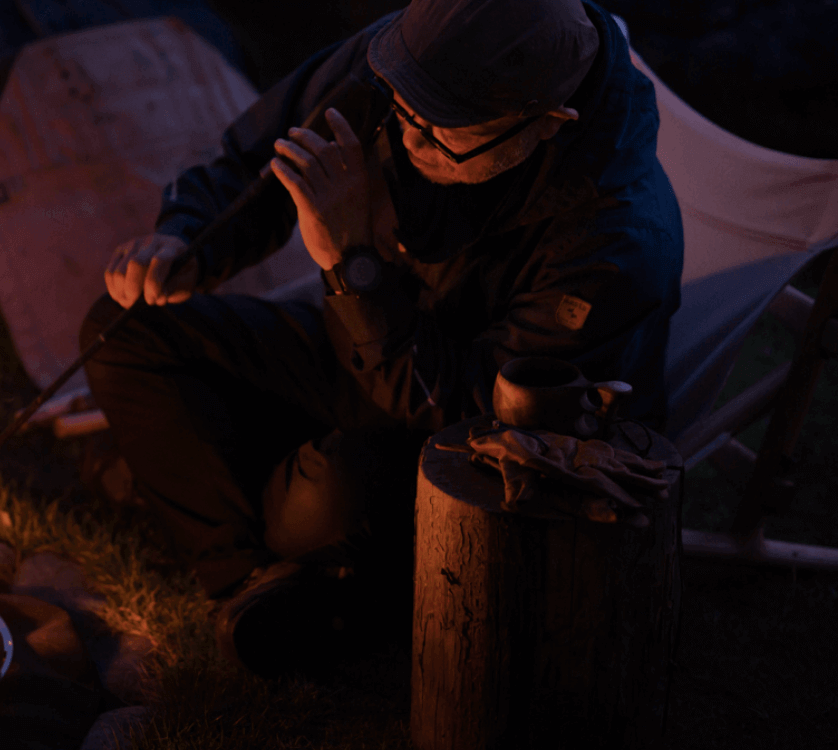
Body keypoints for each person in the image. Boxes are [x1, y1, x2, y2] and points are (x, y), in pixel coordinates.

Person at [80, 0, 683, 675]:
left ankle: (257, 512)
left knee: (325, 498)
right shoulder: (417, 59)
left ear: (544, 125)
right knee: (124, 331)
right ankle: (248, 582)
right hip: (364, 344)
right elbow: (273, 151)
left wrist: (352, 264)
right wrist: (187, 238)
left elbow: (470, 422)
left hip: (471, 444)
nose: (407, 131)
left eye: (441, 128)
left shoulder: (613, 245)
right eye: (402, 105)